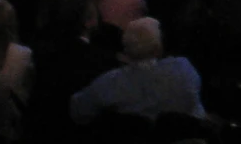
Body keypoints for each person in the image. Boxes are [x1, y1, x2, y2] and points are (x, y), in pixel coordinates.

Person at [69, 17, 207, 122]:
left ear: (125, 49)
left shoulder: (112, 82)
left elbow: (78, 108)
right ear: (158, 47)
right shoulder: (183, 68)